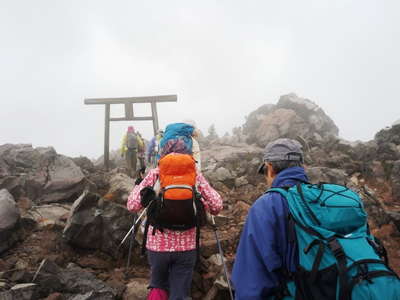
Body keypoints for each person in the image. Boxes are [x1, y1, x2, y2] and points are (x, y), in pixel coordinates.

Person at [232, 138, 400, 299]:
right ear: (302, 167)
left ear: (269, 168)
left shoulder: (268, 205)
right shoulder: (327, 199)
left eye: (264, 172)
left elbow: (251, 279)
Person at [127, 139, 223, 300]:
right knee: (180, 292)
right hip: (187, 247)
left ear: (163, 154)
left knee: (158, 284)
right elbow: (217, 205)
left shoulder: (156, 173)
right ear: (187, 154)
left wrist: (141, 188)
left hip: (157, 246)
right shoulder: (194, 174)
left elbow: (132, 205)